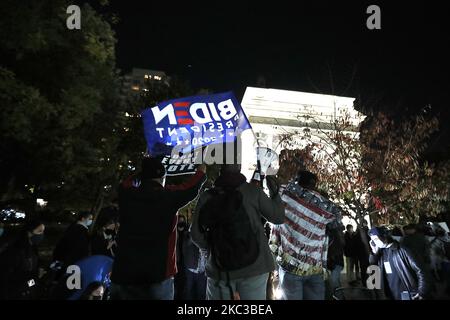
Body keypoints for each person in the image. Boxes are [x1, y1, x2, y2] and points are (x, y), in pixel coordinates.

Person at [110, 157, 207, 300]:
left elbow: (125, 183)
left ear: (142, 177)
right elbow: (191, 188)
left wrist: (143, 170)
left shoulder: (127, 195)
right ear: (163, 177)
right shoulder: (169, 196)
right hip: (158, 273)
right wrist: (201, 171)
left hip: (125, 270)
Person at [191, 164, 285, 300]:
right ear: (240, 168)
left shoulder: (207, 197)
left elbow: (195, 234)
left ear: (220, 171)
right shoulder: (253, 191)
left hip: (220, 270)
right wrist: (275, 194)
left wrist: (213, 247)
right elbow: (277, 217)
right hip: (255, 266)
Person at [270, 170, 338, 300]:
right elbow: (334, 228)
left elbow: (273, 185)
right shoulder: (325, 206)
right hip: (315, 268)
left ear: (297, 182)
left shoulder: (286, 196)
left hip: (291, 266)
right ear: (314, 184)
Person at [368, 226, 432, 300]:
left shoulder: (402, 250)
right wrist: (374, 253)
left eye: (376, 239)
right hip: (389, 294)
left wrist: (422, 292)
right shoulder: (381, 252)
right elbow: (372, 265)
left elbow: (421, 270)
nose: (374, 242)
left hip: (406, 293)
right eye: (372, 240)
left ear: (384, 236)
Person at [0, 219, 45, 299]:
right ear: (28, 233)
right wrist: (35, 277)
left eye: (43, 231)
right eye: (39, 231)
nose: (42, 234)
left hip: (27, 291)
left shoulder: (33, 248)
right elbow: (8, 280)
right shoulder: (14, 252)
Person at [182, 231, 208, 300]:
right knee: (188, 291)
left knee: (201, 293)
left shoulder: (207, 236)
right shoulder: (189, 235)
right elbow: (184, 248)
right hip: (190, 270)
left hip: (202, 271)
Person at [326, 224, 345, 297]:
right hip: (334, 262)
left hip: (336, 262)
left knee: (334, 282)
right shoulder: (335, 235)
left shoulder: (333, 236)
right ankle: (338, 296)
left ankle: (339, 297)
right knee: (335, 281)